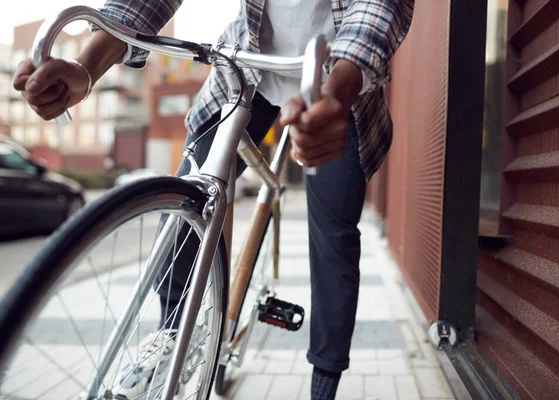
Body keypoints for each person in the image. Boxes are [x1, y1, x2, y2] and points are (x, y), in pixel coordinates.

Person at [13, 0, 414, 398]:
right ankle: (172, 328)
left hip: (339, 77)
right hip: (249, 66)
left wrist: (341, 91)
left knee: (333, 234)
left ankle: (324, 383)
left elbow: (380, 6)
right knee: (191, 193)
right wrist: (87, 66)